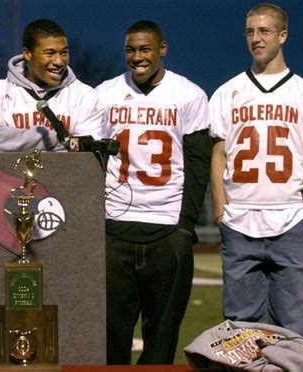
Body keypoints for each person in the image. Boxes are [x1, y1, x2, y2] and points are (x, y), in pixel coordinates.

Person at [210, 3, 303, 338]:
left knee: (292, 328)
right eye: (250, 31)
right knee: (240, 328)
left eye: (264, 31)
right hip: (239, 220)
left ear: (283, 35)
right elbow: (219, 154)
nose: (256, 38)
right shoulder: (227, 92)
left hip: (290, 221)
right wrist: (221, 210)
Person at [96, 20, 211, 364]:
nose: (137, 57)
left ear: (162, 49)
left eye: (145, 49)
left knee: (161, 338)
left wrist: (184, 226)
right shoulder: (103, 94)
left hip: (167, 227)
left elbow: (198, 163)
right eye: (130, 50)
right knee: (110, 335)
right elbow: (94, 161)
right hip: (115, 225)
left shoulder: (189, 94)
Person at [0, 18, 105, 152]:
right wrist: (48, 138)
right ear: (27, 53)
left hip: (64, 176)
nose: (59, 61)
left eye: (64, 53)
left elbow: (90, 154)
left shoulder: (84, 95)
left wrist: (11, 146)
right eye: (49, 53)